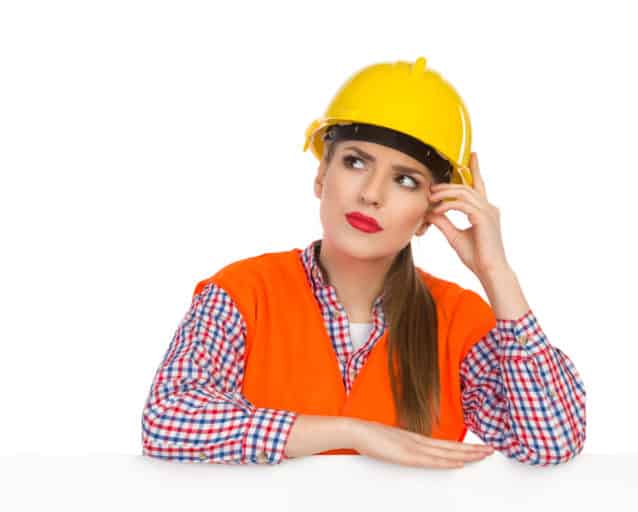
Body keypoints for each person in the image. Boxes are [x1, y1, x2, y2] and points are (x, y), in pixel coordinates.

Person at [140, 56, 587, 469]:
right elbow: (168, 420)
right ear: (321, 176)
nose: (372, 193)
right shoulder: (241, 292)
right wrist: (352, 434)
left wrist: (496, 272)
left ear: (429, 216)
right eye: (356, 162)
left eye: (405, 180)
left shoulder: (458, 319)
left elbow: (550, 442)